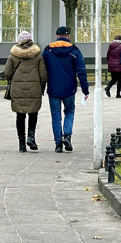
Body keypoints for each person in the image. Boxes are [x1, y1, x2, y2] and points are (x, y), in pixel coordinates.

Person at [42, 25, 89, 153]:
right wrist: (85, 90)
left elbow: (42, 70)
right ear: (68, 36)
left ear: (57, 36)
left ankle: (58, 143)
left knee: (56, 116)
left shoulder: (48, 50)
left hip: (53, 88)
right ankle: (67, 135)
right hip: (69, 88)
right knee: (69, 112)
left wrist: (42, 87)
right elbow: (81, 71)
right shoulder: (74, 50)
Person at [2, 30, 47, 153]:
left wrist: (13, 80)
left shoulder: (13, 55)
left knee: (20, 115)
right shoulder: (37, 54)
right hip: (34, 88)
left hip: (17, 89)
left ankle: (22, 144)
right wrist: (41, 88)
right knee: (33, 113)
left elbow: (7, 72)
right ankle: (31, 136)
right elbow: (43, 74)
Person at [105, 35, 121, 100]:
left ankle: (108, 87)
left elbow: (108, 55)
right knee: (119, 80)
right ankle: (118, 94)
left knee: (114, 79)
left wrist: (109, 62)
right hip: (120, 65)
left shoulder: (111, 46)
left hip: (111, 65)